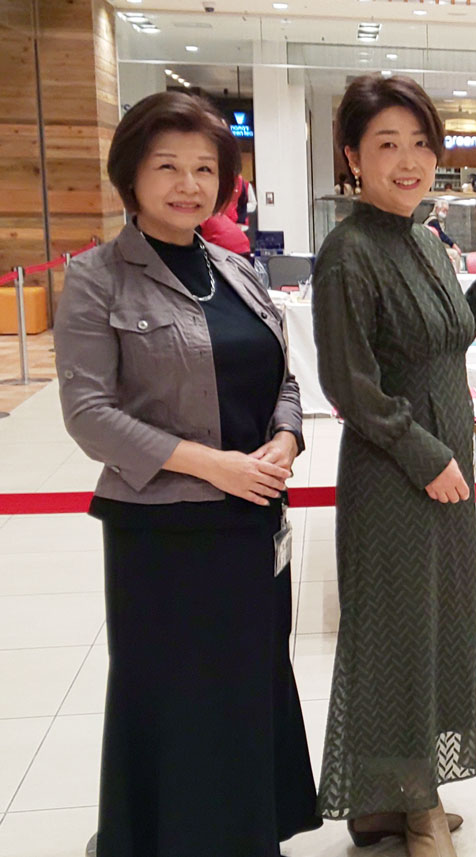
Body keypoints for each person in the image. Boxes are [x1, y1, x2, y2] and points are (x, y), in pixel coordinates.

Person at [54, 90, 319, 857]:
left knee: (248, 688)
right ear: (130, 175)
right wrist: (216, 467)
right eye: (167, 166)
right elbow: (88, 414)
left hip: (252, 523)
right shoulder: (97, 278)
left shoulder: (237, 270)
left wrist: (285, 439)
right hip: (163, 535)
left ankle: (248, 837)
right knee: (173, 700)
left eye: (205, 169)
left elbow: (283, 377)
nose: (188, 184)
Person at [312, 74, 476, 857]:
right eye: (387, 145)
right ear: (352, 157)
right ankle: (415, 805)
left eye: (420, 143)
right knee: (395, 638)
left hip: (444, 466)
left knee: (438, 628)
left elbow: (445, 339)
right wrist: (425, 453)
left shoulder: (427, 239)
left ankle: (391, 797)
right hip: (395, 473)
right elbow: (350, 384)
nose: (409, 161)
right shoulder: (348, 253)